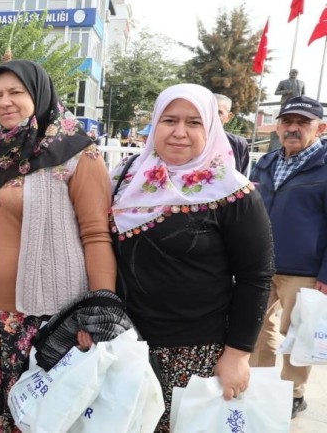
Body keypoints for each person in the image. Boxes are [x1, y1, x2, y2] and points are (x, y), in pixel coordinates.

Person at [110, 83, 274, 432]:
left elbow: (255, 276)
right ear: (155, 123)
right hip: (124, 345)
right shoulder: (124, 180)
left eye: (194, 122)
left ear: (211, 127)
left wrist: (238, 353)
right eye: (169, 120)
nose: (180, 132)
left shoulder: (232, 192)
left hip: (196, 353)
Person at [0, 60, 118, 431]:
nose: (5, 101)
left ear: (39, 94)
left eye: (16, 92)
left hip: (46, 322)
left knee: (39, 421)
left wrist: (99, 312)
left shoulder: (78, 154)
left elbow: (96, 234)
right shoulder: (3, 151)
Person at [249, 95, 327, 419]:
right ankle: (261, 384)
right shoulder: (266, 162)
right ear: (278, 126)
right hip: (260, 264)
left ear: (320, 128)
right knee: (256, 327)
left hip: (305, 269)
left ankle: (293, 392)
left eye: (302, 123)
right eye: (287, 122)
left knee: (297, 334)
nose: (293, 128)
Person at [213, 93, 250, 173]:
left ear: (228, 117)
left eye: (219, 112)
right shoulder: (189, 139)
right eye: (210, 110)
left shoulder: (238, 143)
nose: (213, 115)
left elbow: (241, 176)